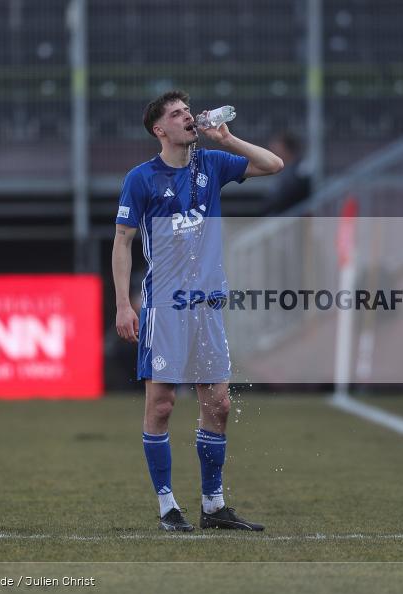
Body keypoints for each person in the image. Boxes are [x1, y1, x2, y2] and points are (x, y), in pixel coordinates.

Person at [112, 90, 283, 532]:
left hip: (206, 307)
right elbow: (123, 241)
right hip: (165, 308)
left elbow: (273, 165)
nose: (188, 118)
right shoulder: (141, 178)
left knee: (219, 405)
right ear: (160, 129)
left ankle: (213, 505)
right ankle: (168, 506)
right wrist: (122, 304)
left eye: (188, 111)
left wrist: (227, 139)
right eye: (177, 114)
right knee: (163, 404)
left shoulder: (211, 163)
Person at [263, 130, 311, 215]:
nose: (273, 151)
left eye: (277, 148)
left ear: (286, 149)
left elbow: (292, 193)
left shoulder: (301, 169)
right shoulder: (281, 170)